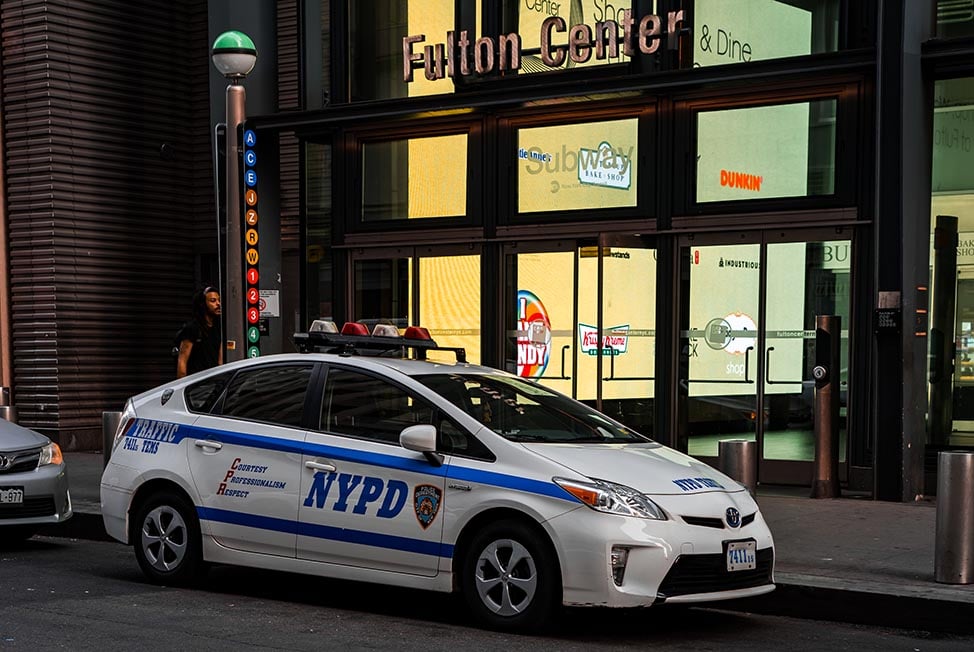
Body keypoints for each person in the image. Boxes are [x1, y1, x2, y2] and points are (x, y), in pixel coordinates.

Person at [176, 286, 223, 378]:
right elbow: (182, 360)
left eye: (219, 300)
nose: (218, 304)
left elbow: (220, 360)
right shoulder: (193, 328)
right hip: (196, 383)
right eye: (213, 301)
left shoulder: (219, 328)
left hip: (213, 382)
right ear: (203, 304)